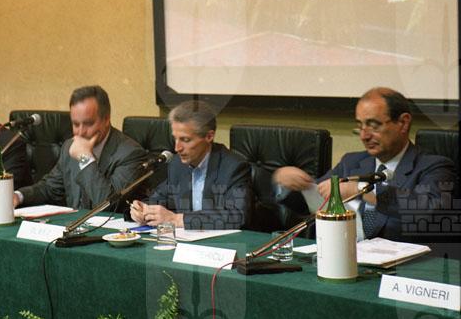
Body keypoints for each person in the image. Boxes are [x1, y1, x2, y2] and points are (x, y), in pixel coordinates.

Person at [273, 87, 457, 242]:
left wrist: (362, 190)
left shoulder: (434, 166)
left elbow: (431, 211)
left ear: (403, 123)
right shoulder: (351, 162)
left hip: (404, 268)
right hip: (348, 258)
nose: (364, 136)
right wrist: (290, 184)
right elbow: (314, 202)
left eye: (373, 125)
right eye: (360, 126)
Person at [14, 85, 147, 209]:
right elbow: (49, 189)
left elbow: (109, 204)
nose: (81, 132)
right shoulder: (69, 147)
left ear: (106, 119)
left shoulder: (130, 153)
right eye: (76, 124)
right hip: (74, 225)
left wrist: (85, 158)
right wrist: (18, 196)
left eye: (88, 123)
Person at [130, 100, 250, 230]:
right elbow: (158, 199)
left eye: (185, 140)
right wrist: (143, 210)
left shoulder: (233, 167)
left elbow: (237, 216)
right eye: (175, 138)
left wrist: (177, 219)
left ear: (209, 136)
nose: (177, 148)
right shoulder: (177, 164)